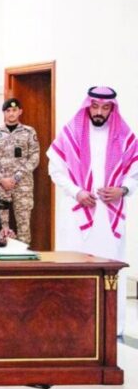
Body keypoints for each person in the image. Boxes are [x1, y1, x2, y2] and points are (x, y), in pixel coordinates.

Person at [48, 87, 137, 335]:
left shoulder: (125, 135)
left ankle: (112, 326)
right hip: (77, 213)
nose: (99, 112)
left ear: (112, 108)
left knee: (110, 267)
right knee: (75, 265)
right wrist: (77, 191)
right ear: (88, 106)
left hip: (110, 216)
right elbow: (55, 171)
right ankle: (71, 324)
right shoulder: (70, 133)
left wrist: (123, 190)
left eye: (105, 108)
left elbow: (134, 173)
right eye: (95, 106)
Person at [0, 98, 40, 244]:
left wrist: (16, 177)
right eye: (8, 110)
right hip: (0, 186)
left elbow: (34, 157)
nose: (11, 113)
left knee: (23, 225)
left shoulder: (28, 132)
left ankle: (24, 256)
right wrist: (1, 178)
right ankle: (3, 255)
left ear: (20, 111)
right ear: (4, 113)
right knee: (0, 226)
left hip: (22, 186)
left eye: (14, 110)